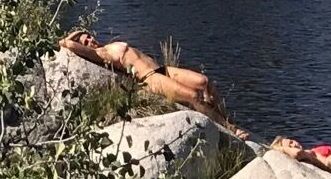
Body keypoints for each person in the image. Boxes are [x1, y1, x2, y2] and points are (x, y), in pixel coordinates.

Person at [58, 29, 243, 133]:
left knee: (203, 82)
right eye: (85, 41)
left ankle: (225, 118)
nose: (90, 40)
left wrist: (81, 31)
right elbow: (66, 44)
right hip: (150, 79)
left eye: (88, 36)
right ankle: (229, 129)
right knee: (193, 96)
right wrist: (72, 36)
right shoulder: (101, 54)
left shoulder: (109, 45)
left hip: (163, 69)